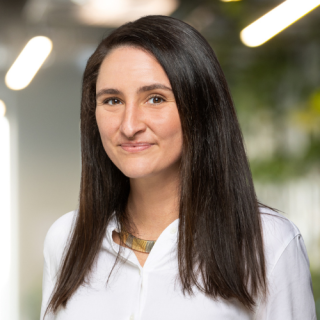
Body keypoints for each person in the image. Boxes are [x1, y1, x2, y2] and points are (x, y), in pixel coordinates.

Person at [40, 15, 316, 320]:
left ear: (199, 108)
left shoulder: (266, 242)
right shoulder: (66, 239)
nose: (129, 125)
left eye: (155, 98)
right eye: (112, 101)